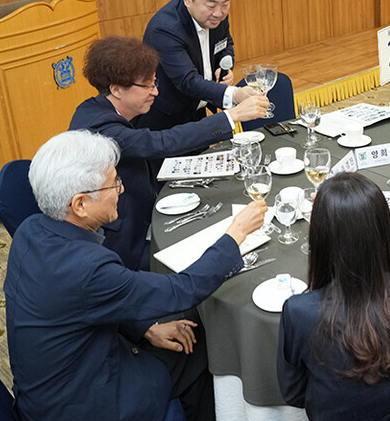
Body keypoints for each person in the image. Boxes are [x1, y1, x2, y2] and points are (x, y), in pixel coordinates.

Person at [5, 130, 267, 421]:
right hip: (87, 409)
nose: (121, 189)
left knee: (184, 332)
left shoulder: (30, 230)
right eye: (113, 183)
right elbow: (181, 289)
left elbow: (88, 303)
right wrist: (235, 236)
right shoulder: (87, 268)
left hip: (46, 393)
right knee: (199, 346)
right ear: (79, 204)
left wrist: (147, 328)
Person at [276, 172, 390, 421]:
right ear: (384, 231)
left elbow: (294, 394)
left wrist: (333, 213)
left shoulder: (299, 312)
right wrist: (352, 214)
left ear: (320, 237)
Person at [69, 36, 269, 270]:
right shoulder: (100, 128)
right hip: (126, 243)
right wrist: (231, 116)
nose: (155, 92)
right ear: (116, 89)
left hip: (148, 207)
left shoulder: (107, 108)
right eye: (148, 86)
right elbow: (160, 142)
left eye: (155, 82)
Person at [141, 0, 259, 130]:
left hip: (198, 111)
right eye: (211, 5)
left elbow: (226, 43)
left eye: (225, 4)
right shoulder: (165, 29)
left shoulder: (216, 17)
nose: (219, 13)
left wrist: (225, 62)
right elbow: (187, 81)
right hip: (167, 120)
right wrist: (236, 94)